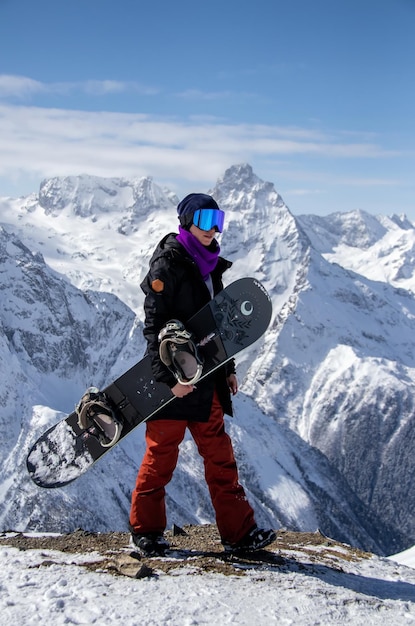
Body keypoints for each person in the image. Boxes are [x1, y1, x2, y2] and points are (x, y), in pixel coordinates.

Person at [129, 193, 276, 556]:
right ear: (187, 222)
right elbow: (154, 328)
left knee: (220, 458)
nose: (213, 229)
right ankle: (145, 533)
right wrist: (167, 382)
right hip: (175, 383)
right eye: (206, 220)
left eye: (218, 221)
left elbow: (217, 327)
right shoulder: (168, 265)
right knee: (160, 458)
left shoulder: (211, 265)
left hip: (207, 380)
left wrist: (227, 370)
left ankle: (239, 535)